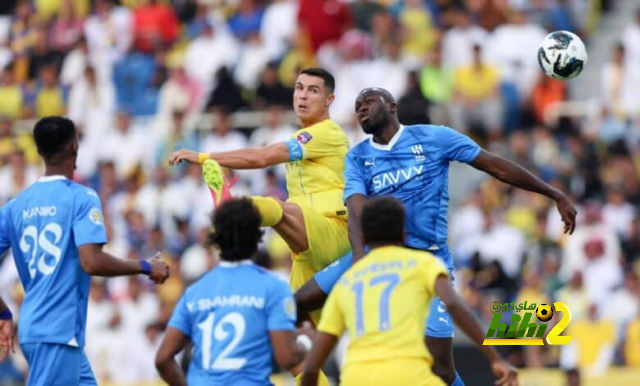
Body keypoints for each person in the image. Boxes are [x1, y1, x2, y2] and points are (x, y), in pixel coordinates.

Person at [296, 87, 576, 385]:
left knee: (440, 367)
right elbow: (356, 212)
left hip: (428, 259)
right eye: (357, 105)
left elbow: (495, 166)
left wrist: (553, 193)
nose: (361, 109)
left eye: (368, 102)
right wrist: (361, 261)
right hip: (373, 254)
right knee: (297, 302)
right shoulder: (357, 158)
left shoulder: (434, 137)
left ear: (391, 107)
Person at [168, 68, 351, 325]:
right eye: (299, 88)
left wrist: (202, 157)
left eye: (313, 90)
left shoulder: (327, 132)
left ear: (329, 100)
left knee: (277, 207)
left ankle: (234, 210)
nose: (303, 96)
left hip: (334, 233)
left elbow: (262, 157)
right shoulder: (303, 138)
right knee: (295, 333)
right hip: (305, 248)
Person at [0, 116, 169, 385]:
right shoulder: (82, 197)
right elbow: (91, 262)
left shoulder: (15, 206)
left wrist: (4, 313)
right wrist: (145, 266)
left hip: (44, 330)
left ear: (39, 151)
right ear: (74, 148)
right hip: (56, 331)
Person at [300, 197, 518, 386]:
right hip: (409, 374)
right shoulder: (423, 263)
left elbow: (311, 367)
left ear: (363, 239)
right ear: (404, 236)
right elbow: (452, 304)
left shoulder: (348, 281)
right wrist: (495, 358)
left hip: (356, 377)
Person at [155, 198, 312, 385]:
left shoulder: (195, 291)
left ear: (216, 240)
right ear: (257, 237)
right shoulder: (274, 287)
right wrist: (305, 341)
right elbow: (286, 357)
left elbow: (162, 359)